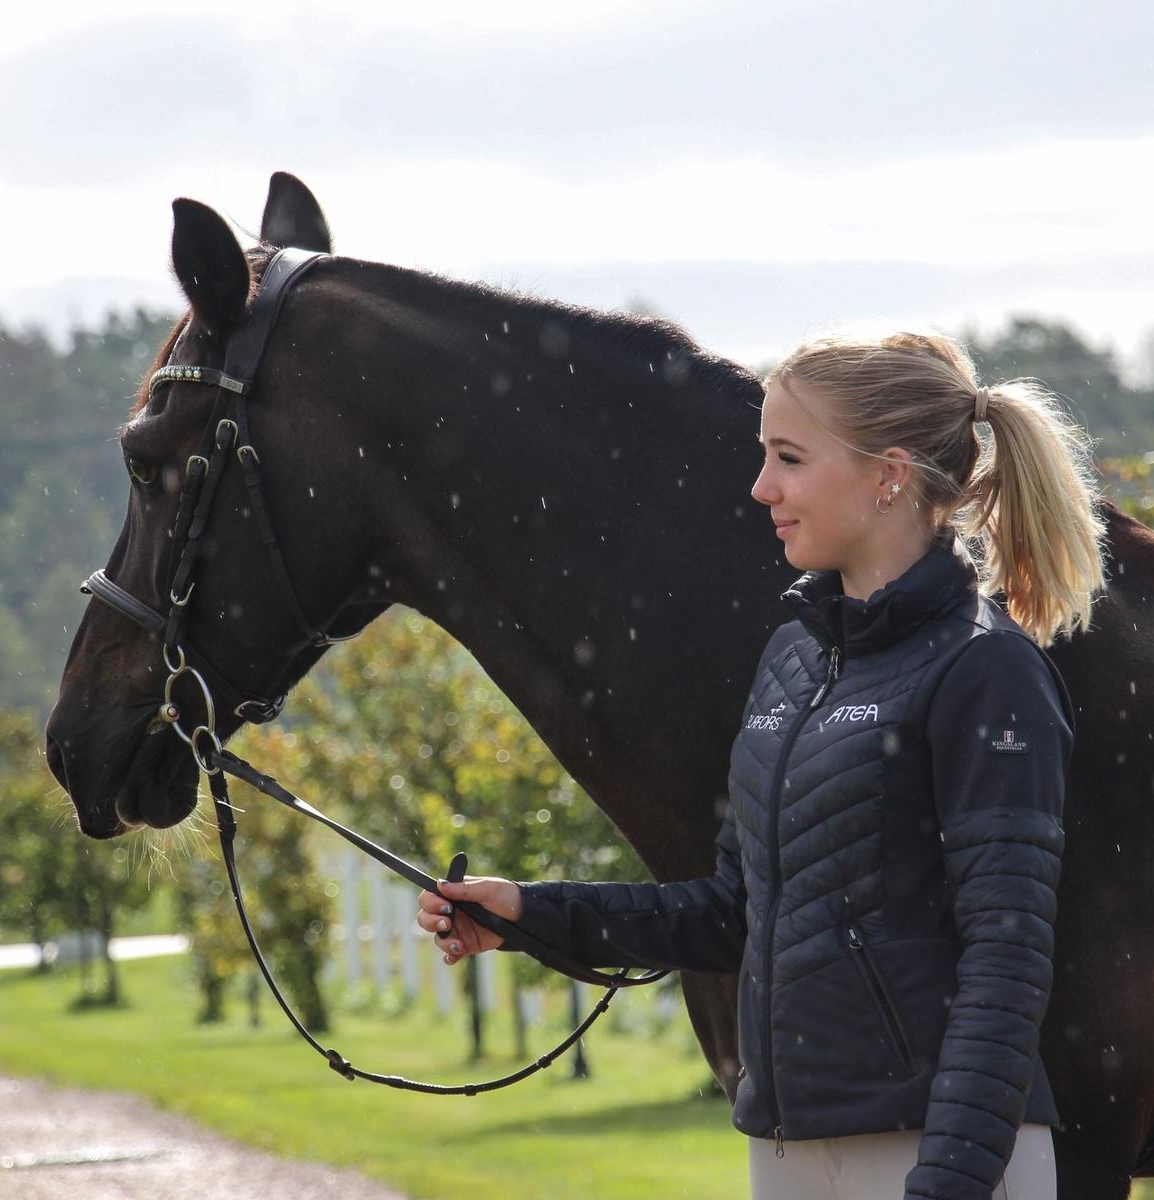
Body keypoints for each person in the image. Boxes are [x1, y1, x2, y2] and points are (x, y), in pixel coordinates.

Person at [415, 331, 1107, 1199]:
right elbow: (732, 913)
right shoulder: (792, 660)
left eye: (788, 458)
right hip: (785, 1144)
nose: (761, 488)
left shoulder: (986, 670)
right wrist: (528, 916)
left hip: (936, 1153)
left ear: (888, 473)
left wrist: (953, 1180)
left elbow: (1006, 961)